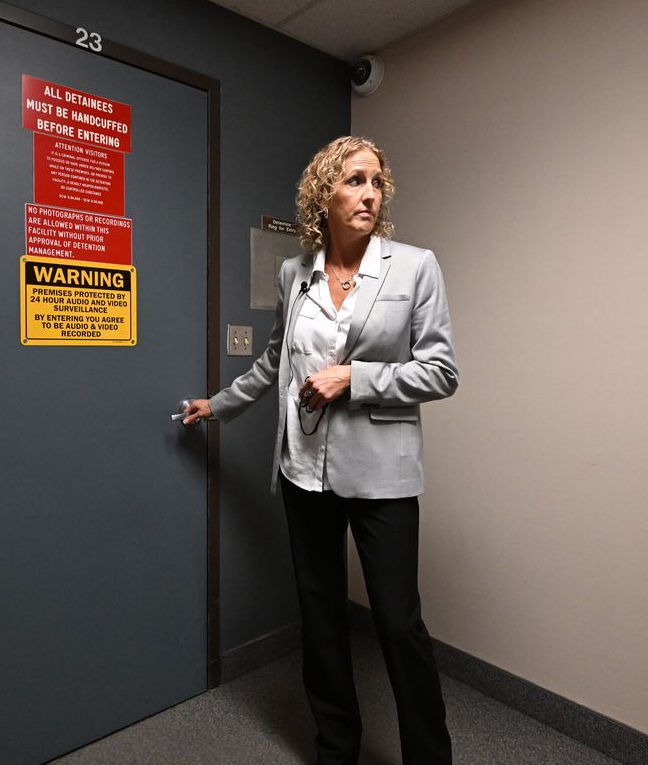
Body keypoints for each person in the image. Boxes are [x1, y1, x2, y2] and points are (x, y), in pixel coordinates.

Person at [183, 135, 459, 764]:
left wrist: (354, 379)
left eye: (377, 182)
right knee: (322, 617)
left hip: (382, 476)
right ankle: (336, 746)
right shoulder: (295, 272)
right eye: (355, 181)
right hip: (304, 470)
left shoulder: (415, 266)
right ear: (323, 194)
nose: (370, 194)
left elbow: (441, 372)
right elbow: (277, 361)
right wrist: (218, 403)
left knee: (397, 622)